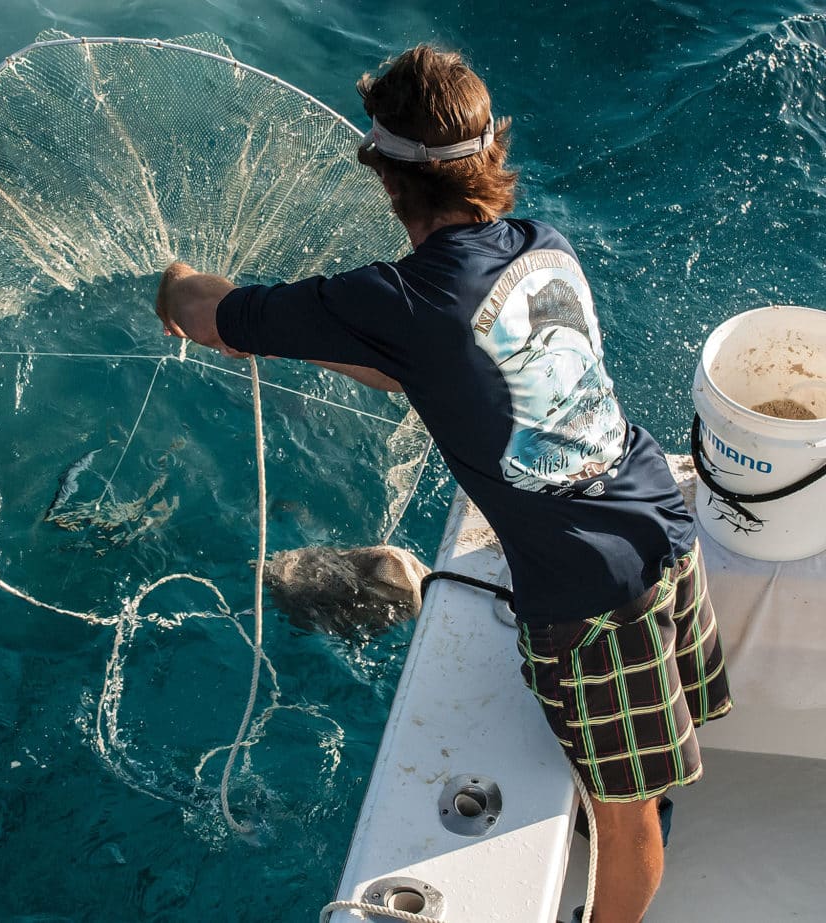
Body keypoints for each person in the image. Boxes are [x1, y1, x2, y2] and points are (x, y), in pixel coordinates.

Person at [155, 44, 732, 923]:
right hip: (659, 518)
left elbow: (211, 317)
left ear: (387, 178)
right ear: (485, 157)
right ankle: (643, 792)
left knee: (630, 820)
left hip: (590, 591)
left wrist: (164, 275)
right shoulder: (543, 246)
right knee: (645, 755)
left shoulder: (397, 299)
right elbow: (448, 360)